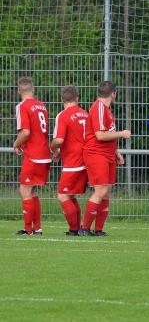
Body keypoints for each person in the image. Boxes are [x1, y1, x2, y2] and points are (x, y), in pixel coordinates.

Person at [79, 81, 131, 236]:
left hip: (107, 155)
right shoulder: (99, 108)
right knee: (100, 190)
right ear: (113, 93)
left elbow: (108, 134)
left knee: (106, 191)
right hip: (96, 154)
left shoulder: (107, 110)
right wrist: (122, 134)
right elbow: (100, 135)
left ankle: (99, 229)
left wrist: (116, 152)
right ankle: (85, 228)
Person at [13, 77, 51, 235]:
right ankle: (37, 228)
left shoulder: (22, 106)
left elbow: (26, 132)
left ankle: (28, 230)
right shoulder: (41, 106)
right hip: (44, 153)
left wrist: (16, 144)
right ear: (33, 89)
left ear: (19, 91)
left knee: (24, 190)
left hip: (34, 154)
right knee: (32, 191)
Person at [51, 85, 89, 236]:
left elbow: (59, 139)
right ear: (77, 99)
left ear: (62, 99)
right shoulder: (85, 114)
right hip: (86, 159)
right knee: (70, 195)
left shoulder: (63, 115)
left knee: (62, 195)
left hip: (73, 161)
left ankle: (74, 230)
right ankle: (77, 227)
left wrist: (52, 149)